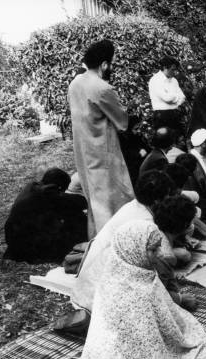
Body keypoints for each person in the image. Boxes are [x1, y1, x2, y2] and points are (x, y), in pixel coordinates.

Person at [61, 221, 206, 359]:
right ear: (133, 249)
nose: (160, 254)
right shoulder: (133, 291)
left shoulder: (123, 275)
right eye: (153, 250)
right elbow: (153, 354)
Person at [71, 170, 196, 312]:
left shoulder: (134, 206)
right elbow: (158, 273)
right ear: (157, 200)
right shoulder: (147, 226)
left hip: (87, 288)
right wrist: (179, 299)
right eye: (169, 196)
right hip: (101, 299)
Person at [68, 39, 134, 238]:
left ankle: (97, 241)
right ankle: (116, 243)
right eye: (111, 63)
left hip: (83, 150)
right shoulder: (103, 88)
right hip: (103, 151)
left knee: (95, 200)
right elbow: (122, 122)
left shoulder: (75, 82)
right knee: (113, 199)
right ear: (104, 64)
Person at [4, 168, 87, 264]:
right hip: (25, 245)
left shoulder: (32, 187)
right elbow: (80, 202)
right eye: (62, 190)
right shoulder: (46, 193)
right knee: (75, 218)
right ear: (58, 187)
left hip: (13, 240)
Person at [148, 56, 186, 133]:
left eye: (175, 70)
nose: (175, 72)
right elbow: (167, 98)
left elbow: (183, 97)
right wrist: (176, 98)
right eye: (173, 69)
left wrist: (174, 99)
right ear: (165, 67)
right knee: (165, 141)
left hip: (175, 114)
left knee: (178, 140)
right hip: (161, 116)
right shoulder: (155, 80)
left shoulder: (174, 80)